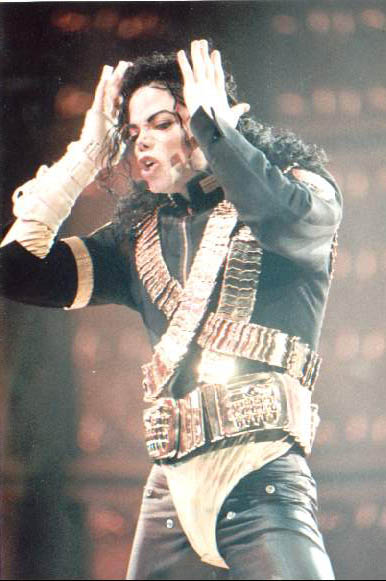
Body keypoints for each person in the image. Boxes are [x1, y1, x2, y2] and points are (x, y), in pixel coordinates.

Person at [1, 39, 342, 580]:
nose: (141, 142)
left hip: (262, 480)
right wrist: (85, 156)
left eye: (162, 123)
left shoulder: (301, 192)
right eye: (132, 132)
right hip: (169, 499)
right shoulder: (135, 239)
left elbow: (284, 221)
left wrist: (215, 130)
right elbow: (16, 271)